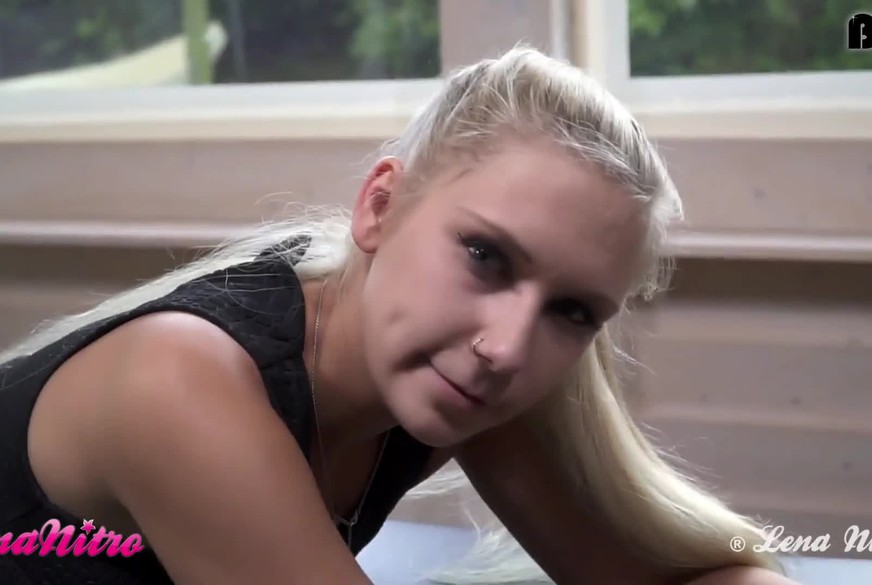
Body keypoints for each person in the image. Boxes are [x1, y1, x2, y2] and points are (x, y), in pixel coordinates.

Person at [0, 46, 799, 584]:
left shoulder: (466, 372)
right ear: (380, 205)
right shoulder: (176, 382)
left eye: (573, 310)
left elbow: (676, 573)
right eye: (485, 255)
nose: (506, 346)